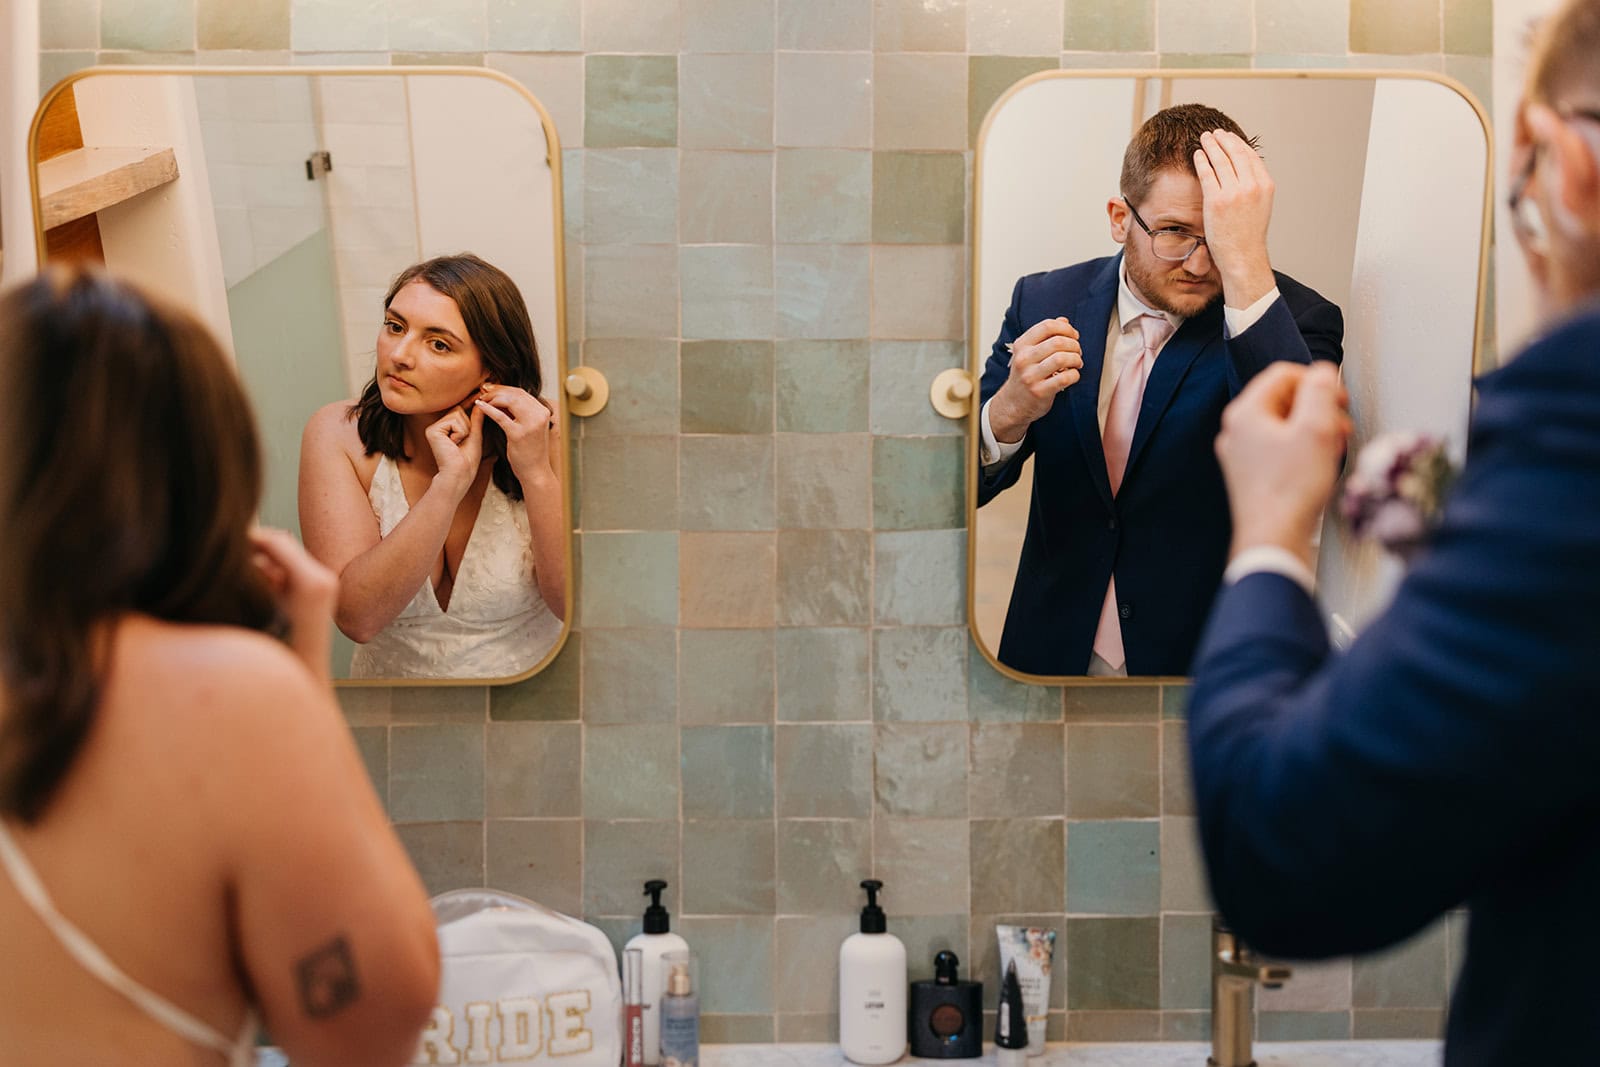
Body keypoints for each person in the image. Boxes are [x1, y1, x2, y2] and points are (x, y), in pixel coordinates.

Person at [1186, 1, 1600, 1061]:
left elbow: (1284, 858)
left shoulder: (1570, 449)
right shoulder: (1050, 302)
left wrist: (1272, 533)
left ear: (1547, 155)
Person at [0, 267, 439, 1065]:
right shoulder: (230, 696)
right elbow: (371, 1027)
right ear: (199, 463)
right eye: (395, 324)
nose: (403, 352)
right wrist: (303, 688)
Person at [977, 103, 1344, 677]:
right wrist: (1005, 415)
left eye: (1217, 233)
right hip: (1046, 650)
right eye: (1175, 232)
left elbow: (1313, 468)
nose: (1200, 262)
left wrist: (1244, 260)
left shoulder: (1294, 319)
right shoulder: (1043, 299)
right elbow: (957, 488)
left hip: (1200, 664)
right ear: (1120, 218)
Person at [300, 253, 566, 680]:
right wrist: (449, 485)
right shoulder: (336, 434)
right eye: (395, 326)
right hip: (393, 714)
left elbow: (570, 606)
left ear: (491, 370)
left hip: (526, 706)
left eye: (438, 344)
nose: (400, 355)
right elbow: (357, 620)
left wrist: (535, 473)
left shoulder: (547, 432)